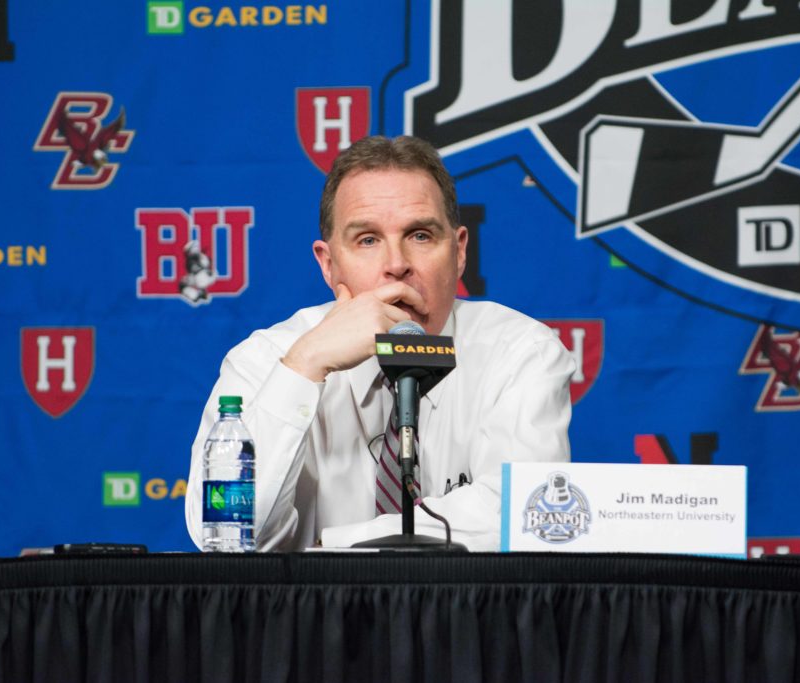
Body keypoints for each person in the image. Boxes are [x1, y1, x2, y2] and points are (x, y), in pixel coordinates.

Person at [185, 135, 575, 551]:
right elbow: (227, 536)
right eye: (367, 240)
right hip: (305, 617)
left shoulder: (519, 352)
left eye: (421, 235)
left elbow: (524, 518)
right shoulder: (265, 360)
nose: (396, 265)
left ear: (459, 252)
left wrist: (334, 546)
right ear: (328, 264)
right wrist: (306, 365)